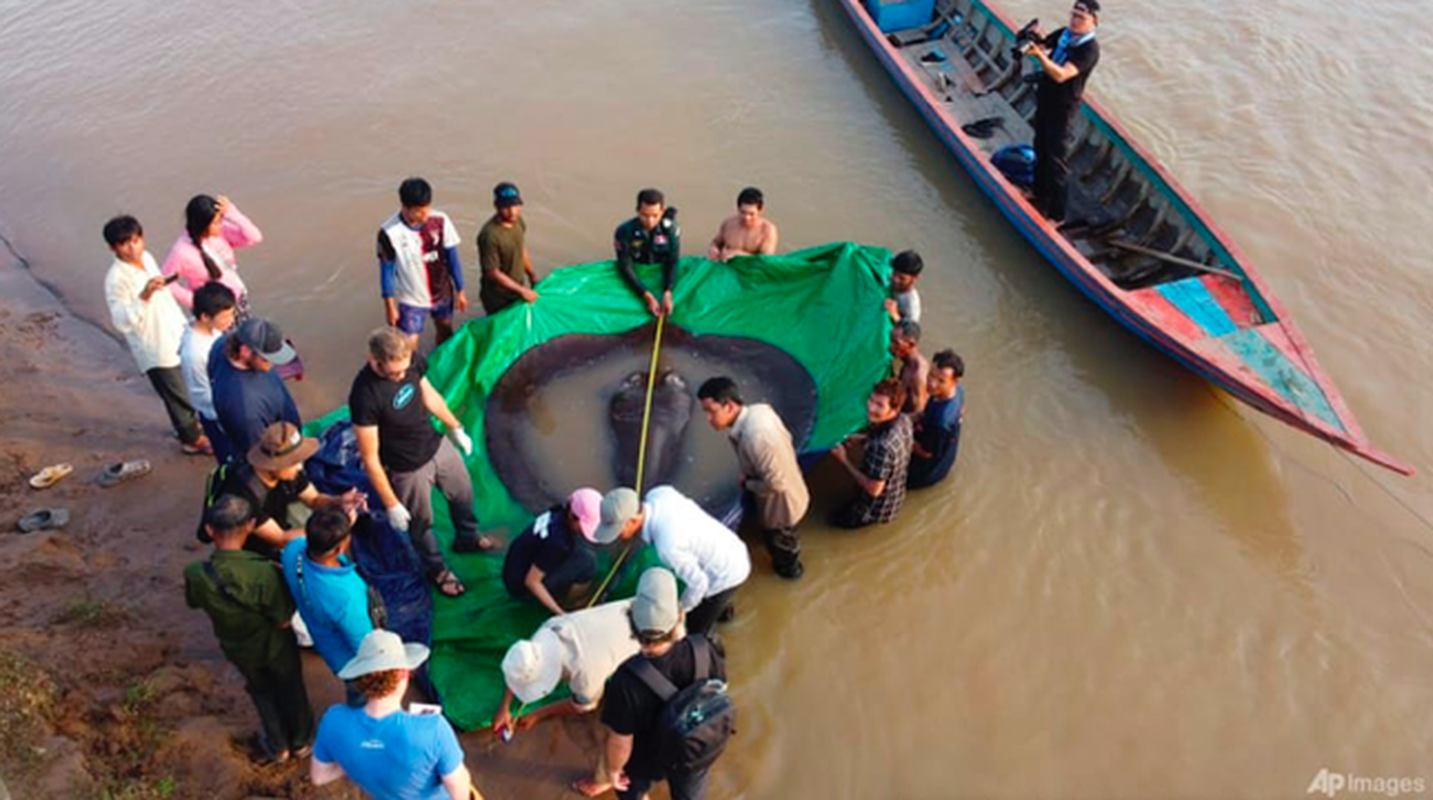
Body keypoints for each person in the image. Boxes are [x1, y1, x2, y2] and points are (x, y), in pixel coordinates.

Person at [350, 326, 493, 599]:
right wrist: (391, 503)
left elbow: (429, 395)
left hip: (435, 444)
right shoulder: (364, 395)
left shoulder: (411, 361)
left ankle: (468, 536)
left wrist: (455, 427)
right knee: (421, 523)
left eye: (404, 369)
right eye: (393, 373)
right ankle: (437, 569)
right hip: (406, 467)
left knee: (463, 493)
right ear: (374, 360)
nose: (401, 376)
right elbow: (370, 457)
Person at [185, 494, 314, 764]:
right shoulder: (263, 572)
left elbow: (194, 602)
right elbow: (282, 619)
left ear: (210, 530)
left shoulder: (196, 572)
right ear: (250, 526)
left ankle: (277, 746)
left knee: (260, 691)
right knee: (291, 689)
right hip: (275, 646)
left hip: (236, 646)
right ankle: (301, 742)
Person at [593, 568, 726, 800]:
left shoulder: (626, 679)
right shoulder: (704, 647)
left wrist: (613, 771)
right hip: (692, 750)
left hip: (647, 760)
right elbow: (719, 690)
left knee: (632, 792)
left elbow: (620, 741)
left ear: (632, 623)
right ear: (680, 616)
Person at [311, 630, 482, 800]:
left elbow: (319, 777)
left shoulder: (333, 720)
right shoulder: (434, 729)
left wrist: (353, 756)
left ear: (360, 678)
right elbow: (459, 791)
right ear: (404, 673)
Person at [102, 215, 209, 455]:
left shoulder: (147, 258)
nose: (134, 247)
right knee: (176, 395)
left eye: (137, 240)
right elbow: (121, 322)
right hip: (155, 346)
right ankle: (191, 440)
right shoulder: (115, 280)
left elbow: (166, 299)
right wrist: (144, 295)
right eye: (125, 243)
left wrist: (186, 325)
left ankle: (190, 426)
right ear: (113, 248)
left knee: (190, 386)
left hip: (176, 332)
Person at [592, 485, 750, 637]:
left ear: (633, 521)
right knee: (716, 604)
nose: (618, 535)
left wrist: (679, 612)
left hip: (727, 573)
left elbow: (699, 584)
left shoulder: (668, 547)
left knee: (696, 628)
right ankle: (722, 611)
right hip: (730, 546)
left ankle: (710, 636)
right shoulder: (658, 493)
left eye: (618, 530)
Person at [696, 377, 809, 580]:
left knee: (782, 546)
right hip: (794, 487)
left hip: (782, 508)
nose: (708, 419)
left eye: (711, 412)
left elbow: (776, 484)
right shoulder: (760, 410)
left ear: (729, 406)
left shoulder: (754, 437)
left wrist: (747, 483)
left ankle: (789, 571)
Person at [208, 421, 364, 560]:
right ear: (273, 464)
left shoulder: (290, 473)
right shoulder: (245, 494)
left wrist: (339, 501)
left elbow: (314, 499)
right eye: (293, 462)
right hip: (255, 550)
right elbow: (279, 539)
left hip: (279, 524)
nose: (300, 467)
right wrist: (338, 526)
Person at [493, 597, 641, 738]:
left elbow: (583, 705)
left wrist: (538, 714)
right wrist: (504, 707)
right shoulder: (551, 627)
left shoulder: (585, 676)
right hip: (636, 604)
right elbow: (523, 660)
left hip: (649, 635)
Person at [281, 508, 375, 698]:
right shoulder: (345, 596)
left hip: (326, 643)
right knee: (363, 696)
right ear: (341, 548)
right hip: (352, 662)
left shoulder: (292, 551)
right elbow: (364, 645)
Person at [1026, 1, 1101, 222]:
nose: (1075, 20)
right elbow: (1044, 44)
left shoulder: (1089, 50)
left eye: (1081, 17)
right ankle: (1038, 193)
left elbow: (1061, 74)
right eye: (1073, 14)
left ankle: (1057, 215)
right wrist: (1034, 37)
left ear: (1093, 22)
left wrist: (1039, 57)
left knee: (1056, 159)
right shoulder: (1064, 34)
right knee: (1040, 145)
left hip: (1063, 107)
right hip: (1046, 98)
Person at [377, 177, 467, 350]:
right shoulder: (389, 232)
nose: (425, 215)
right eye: (419, 211)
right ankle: (414, 374)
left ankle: (440, 370)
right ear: (405, 207)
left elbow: (453, 257)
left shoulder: (440, 221)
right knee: (408, 345)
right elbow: (386, 271)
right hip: (411, 299)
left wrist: (460, 289)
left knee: (446, 332)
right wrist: (390, 306)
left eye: (428, 208)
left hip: (442, 292)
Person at [209, 317, 302, 458]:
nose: (273, 364)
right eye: (266, 358)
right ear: (245, 351)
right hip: (279, 448)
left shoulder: (221, 343)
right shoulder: (243, 407)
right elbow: (260, 455)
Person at [501, 488, 602, 615]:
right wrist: (560, 613)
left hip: (515, 567)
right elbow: (532, 582)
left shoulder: (558, 511)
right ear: (572, 516)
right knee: (588, 563)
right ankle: (570, 603)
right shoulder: (559, 543)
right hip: (521, 587)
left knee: (582, 554)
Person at [829, 379, 915, 529]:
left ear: (894, 410)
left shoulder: (881, 447)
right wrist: (861, 439)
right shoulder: (904, 420)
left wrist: (844, 460)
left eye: (880, 405)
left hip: (875, 509)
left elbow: (873, 490)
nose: (871, 407)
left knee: (833, 522)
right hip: (896, 493)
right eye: (871, 400)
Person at [162, 194, 264, 316]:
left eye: (221, 220)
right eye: (215, 223)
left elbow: (254, 237)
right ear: (202, 224)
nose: (220, 225)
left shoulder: (221, 232)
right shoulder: (182, 252)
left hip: (237, 298)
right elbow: (166, 282)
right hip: (214, 313)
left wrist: (232, 213)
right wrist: (195, 301)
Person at [180, 282, 239, 463]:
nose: (231, 320)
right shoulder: (194, 353)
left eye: (232, 314)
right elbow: (202, 394)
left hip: (225, 402)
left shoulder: (212, 331)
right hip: (217, 416)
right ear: (205, 317)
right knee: (230, 459)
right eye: (226, 316)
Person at [614, 188, 680, 317]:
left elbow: (672, 260)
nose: (650, 221)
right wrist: (646, 296)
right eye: (645, 215)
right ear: (637, 211)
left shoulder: (671, 228)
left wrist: (667, 291)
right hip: (638, 267)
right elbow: (625, 266)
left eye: (655, 216)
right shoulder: (624, 231)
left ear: (662, 211)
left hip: (659, 266)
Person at [476, 181, 539, 315]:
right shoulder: (489, 235)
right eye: (506, 207)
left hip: (516, 289)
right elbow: (492, 272)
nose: (512, 212)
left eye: (515, 206)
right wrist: (522, 291)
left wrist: (532, 275)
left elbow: (521, 249)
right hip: (498, 298)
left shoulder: (518, 222)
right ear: (496, 207)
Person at [909, 349, 967, 489]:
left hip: (926, 470)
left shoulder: (941, 421)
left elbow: (925, 452)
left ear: (955, 381)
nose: (932, 384)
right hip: (942, 448)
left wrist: (902, 437)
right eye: (931, 375)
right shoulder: (958, 390)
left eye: (941, 381)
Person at [705, 187, 778, 262]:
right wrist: (713, 249)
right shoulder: (728, 224)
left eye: (751, 214)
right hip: (727, 268)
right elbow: (716, 242)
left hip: (752, 270)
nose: (746, 217)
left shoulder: (768, 230)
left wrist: (739, 255)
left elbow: (765, 261)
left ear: (760, 210)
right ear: (738, 208)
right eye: (743, 212)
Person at [890, 320, 930, 415]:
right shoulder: (907, 362)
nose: (890, 346)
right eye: (891, 340)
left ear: (911, 344)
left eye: (896, 343)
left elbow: (919, 411)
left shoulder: (918, 373)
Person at [885, 249, 923, 323]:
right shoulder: (888, 279)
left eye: (902, 278)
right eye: (894, 274)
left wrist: (895, 315)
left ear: (914, 278)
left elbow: (911, 332)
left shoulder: (911, 302)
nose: (895, 280)